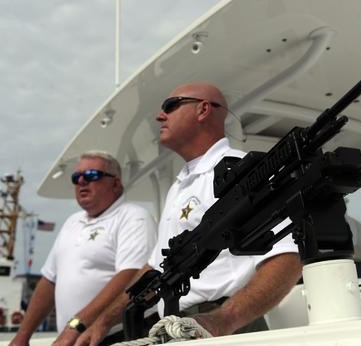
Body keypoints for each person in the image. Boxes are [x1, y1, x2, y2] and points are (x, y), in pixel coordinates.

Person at [75, 82, 302, 345]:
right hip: (176, 329)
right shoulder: (180, 185)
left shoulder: (244, 172)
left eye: (170, 106)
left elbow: (287, 257)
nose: (160, 116)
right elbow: (154, 269)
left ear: (203, 110)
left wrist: (223, 320)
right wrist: (101, 323)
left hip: (223, 330)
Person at [9, 151, 157, 346]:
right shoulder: (72, 222)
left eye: (91, 175)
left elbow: (130, 276)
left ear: (115, 183)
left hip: (120, 337)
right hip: (75, 340)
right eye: (76, 177)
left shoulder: (133, 217)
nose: (81, 182)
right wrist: (23, 335)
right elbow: (49, 280)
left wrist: (76, 325)